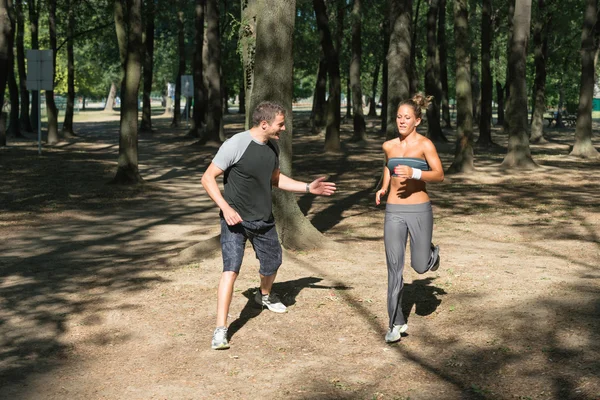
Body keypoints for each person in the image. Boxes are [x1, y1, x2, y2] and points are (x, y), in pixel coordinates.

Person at [201, 101, 336, 350]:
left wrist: (308, 187)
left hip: (263, 219)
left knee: (273, 263)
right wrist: (226, 208)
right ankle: (220, 330)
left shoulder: (272, 147)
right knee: (230, 270)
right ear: (264, 124)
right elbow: (207, 177)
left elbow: (275, 178)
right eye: (280, 124)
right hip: (235, 221)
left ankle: (263, 295)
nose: (283, 128)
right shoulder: (236, 144)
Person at [375, 94, 444, 343]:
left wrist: (415, 172)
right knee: (394, 269)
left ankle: (431, 254)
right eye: (398, 117)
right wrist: (383, 188)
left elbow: (439, 175)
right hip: (394, 210)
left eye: (407, 118)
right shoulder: (389, 145)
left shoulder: (425, 145)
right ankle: (395, 323)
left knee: (419, 266)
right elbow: (388, 166)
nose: (402, 121)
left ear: (417, 120)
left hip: (419, 210)